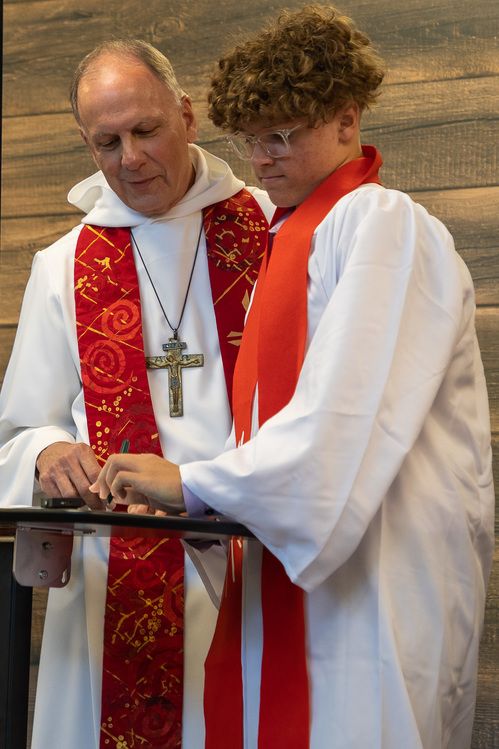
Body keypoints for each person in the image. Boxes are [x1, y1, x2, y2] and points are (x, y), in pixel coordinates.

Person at [91, 7, 495, 749]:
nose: (261, 160)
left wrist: (194, 484)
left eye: (280, 135)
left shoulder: (384, 224)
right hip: (312, 578)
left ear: (347, 118)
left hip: (373, 583)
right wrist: (202, 506)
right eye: (249, 140)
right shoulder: (290, 238)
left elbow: (343, 421)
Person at [0, 40, 273, 748]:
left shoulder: (273, 230)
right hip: (113, 578)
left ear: (187, 115)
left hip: (255, 563)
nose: (130, 158)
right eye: (107, 142)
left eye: (146, 130)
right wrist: (47, 450)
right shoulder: (64, 264)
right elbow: (21, 428)